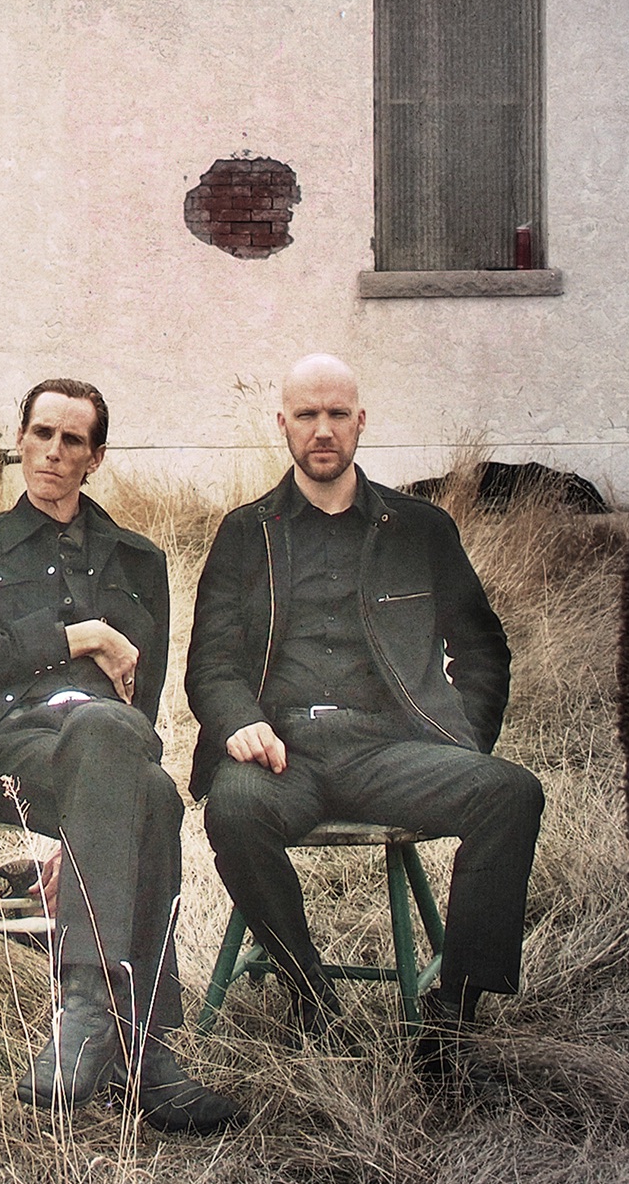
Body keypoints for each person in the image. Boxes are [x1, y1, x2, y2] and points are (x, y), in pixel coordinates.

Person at [185, 352, 543, 1083]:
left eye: (337, 414)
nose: (323, 430)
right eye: (308, 415)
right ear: (283, 424)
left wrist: (462, 740)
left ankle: (453, 1013)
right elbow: (211, 665)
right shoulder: (244, 533)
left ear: (361, 423)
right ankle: (311, 994)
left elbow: (482, 650)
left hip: (390, 751)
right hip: (283, 753)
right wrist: (240, 724)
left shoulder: (420, 528)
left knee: (510, 791)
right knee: (235, 809)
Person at [0, 378, 246, 1132]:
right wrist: (80, 637)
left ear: (95, 456)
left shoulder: (140, 560)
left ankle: (94, 1020)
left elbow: (145, 701)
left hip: (108, 748)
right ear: (20, 439)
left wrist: (85, 823)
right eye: (42, 434)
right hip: (13, 750)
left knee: (138, 770)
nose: (54, 453)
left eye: (73, 441)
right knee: (147, 791)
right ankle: (143, 1053)